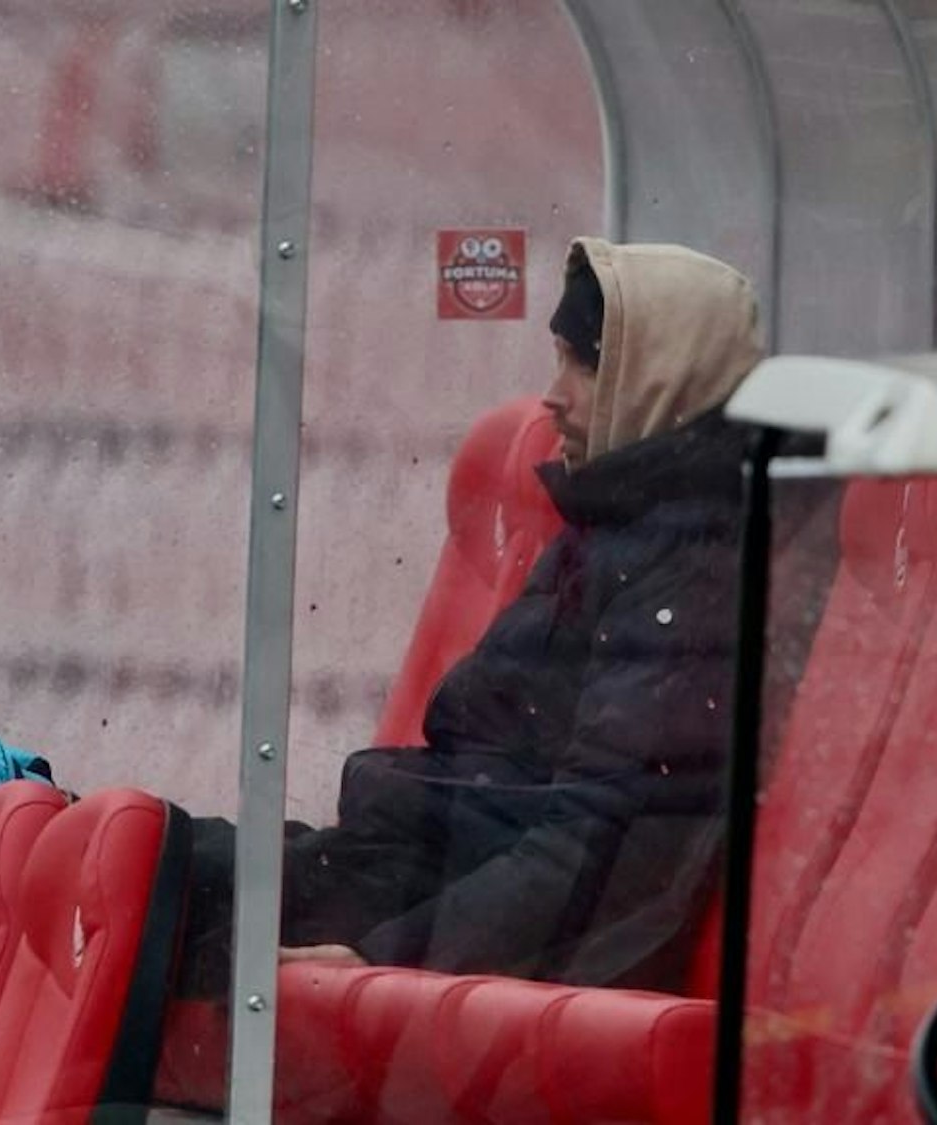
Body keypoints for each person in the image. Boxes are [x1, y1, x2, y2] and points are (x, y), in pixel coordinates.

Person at [181, 237, 764, 996]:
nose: (554, 394)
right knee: (139, 866)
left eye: (583, 364)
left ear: (658, 378)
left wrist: (391, 953)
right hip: (426, 867)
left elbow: (599, 838)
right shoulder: (611, 524)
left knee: (153, 896)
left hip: (454, 914)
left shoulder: (694, 565)